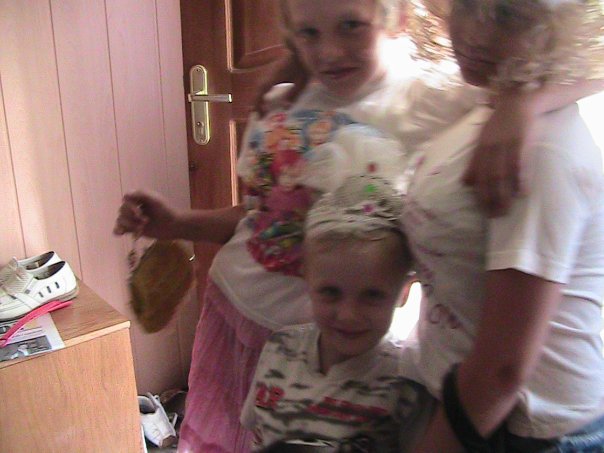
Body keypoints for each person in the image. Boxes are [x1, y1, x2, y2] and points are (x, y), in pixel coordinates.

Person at [113, 1, 600, 451]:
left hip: (334, 346)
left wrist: (524, 100)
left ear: (396, 16)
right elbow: (265, 219)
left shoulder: (437, 101)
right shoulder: (282, 101)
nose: (328, 51)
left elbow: (579, 59)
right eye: (308, 33)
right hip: (232, 315)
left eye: (351, 26)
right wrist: (179, 223)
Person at [396, 1, 604, 451]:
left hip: (517, 429)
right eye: (466, 4)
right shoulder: (491, 107)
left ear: (556, 27)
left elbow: (502, 371)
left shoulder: (542, 154)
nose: (475, 33)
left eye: (508, 15)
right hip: (463, 402)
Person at [240, 151, 427, 452]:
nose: (348, 315)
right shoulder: (279, 349)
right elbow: (257, 435)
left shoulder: (405, 382)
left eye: (372, 295)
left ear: (403, 292)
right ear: (307, 278)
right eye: (330, 292)